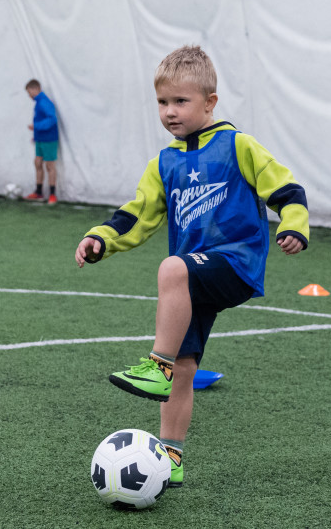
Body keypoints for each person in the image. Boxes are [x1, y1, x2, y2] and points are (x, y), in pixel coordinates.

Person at [74, 45, 310, 488]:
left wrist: (293, 225)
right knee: (185, 366)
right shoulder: (164, 162)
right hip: (193, 279)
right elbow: (137, 215)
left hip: (234, 262)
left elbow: (286, 189)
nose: (170, 111)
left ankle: (156, 366)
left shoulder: (237, 145)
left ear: (209, 102)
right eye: (162, 102)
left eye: (181, 101)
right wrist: (101, 238)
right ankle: (171, 457)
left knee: (172, 268)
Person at [25, 79, 59, 204]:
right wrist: (36, 135)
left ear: (35, 89)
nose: (29, 96)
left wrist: (36, 127)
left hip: (49, 139)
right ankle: (38, 192)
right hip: (40, 139)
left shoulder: (44, 102)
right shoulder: (38, 103)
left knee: (50, 165)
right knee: (38, 163)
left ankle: (52, 195)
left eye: (29, 92)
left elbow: (52, 119)